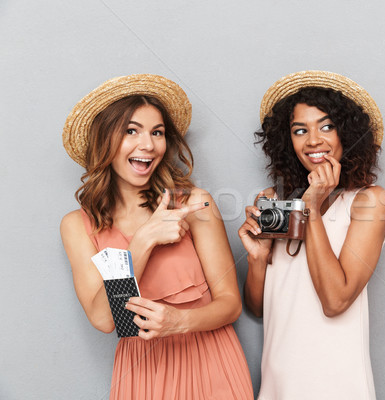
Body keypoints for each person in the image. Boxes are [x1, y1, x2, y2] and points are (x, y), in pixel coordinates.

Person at [60, 74, 253, 399]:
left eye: (157, 132)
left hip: (212, 362)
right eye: (131, 131)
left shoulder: (195, 204)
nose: (148, 145)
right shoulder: (77, 225)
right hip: (142, 373)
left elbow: (231, 304)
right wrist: (142, 242)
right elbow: (104, 319)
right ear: (104, 140)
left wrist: (181, 321)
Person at [239, 70, 385, 399]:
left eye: (326, 126)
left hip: (335, 380)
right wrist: (258, 258)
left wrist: (312, 204)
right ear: (287, 140)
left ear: (347, 133)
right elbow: (257, 307)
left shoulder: (368, 201)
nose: (313, 140)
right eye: (299, 130)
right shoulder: (275, 200)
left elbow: (336, 301)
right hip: (278, 380)